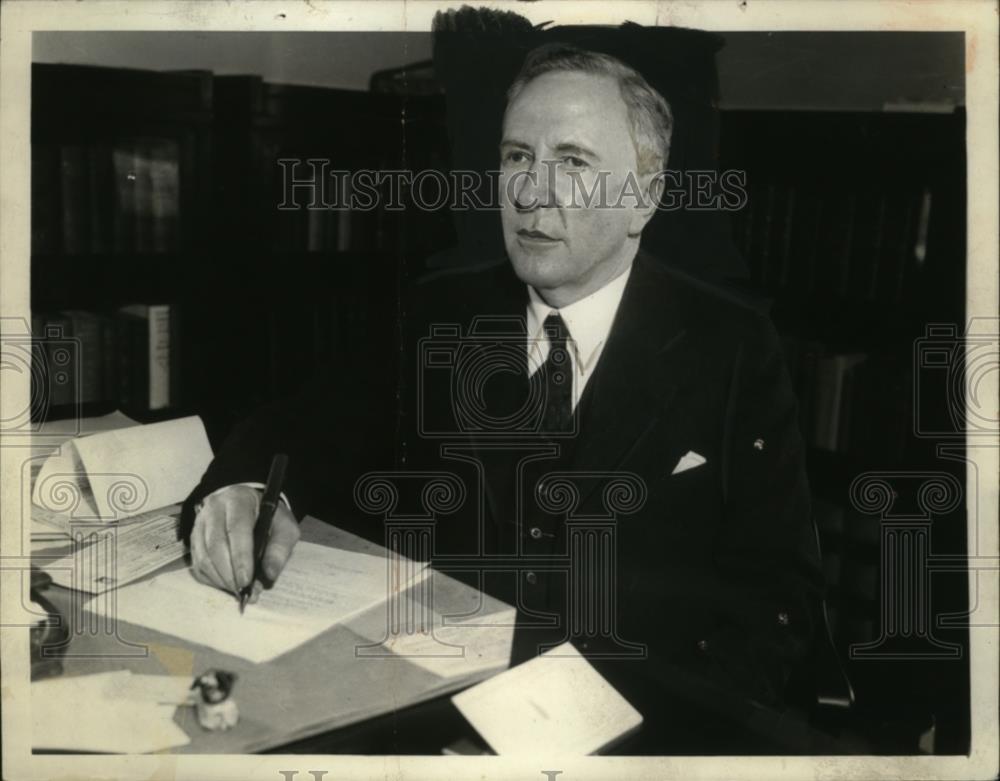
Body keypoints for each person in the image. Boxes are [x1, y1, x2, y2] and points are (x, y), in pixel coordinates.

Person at [182, 44, 824, 751]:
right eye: (518, 156)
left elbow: (775, 597)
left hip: (623, 732)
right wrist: (242, 487)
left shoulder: (729, 344)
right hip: (431, 714)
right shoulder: (442, 312)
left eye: (573, 162)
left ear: (644, 195)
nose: (530, 192)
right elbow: (304, 423)